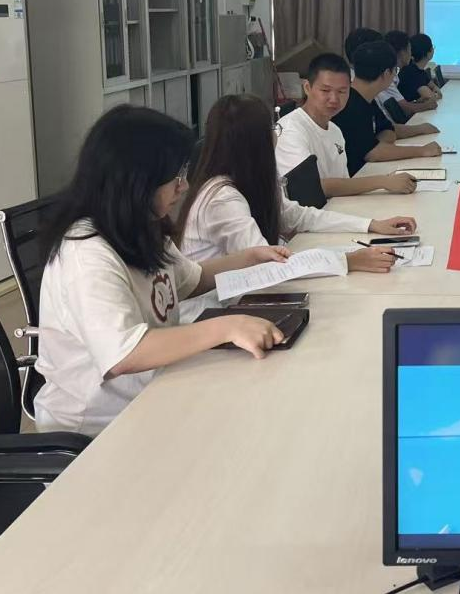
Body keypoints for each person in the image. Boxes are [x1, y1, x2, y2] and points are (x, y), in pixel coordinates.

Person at [33, 106, 291, 436]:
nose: (183, 186)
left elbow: (192, 279)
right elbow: (124, 354)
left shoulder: (140, 225)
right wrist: (227, 327)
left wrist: (250, 257)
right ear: (137, 180)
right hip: (97, 429)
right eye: (175, 177)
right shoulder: (86, 253)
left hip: (155, 393)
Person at [176, 93, 414, 284]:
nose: (276, 134)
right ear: (256, 141)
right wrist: (349, 261)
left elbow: (298, 216)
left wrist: (371, 224)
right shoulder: (221, 197)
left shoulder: (251, 179)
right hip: (211, 309)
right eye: (272, 127)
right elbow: (266, 264)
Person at [274, 53, 418, 196]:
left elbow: (343, 182)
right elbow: (311, 186)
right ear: (307, 88)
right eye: (325, 90)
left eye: (342, 91)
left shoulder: (335, 130)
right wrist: (383, 182)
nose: (334, 99)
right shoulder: (290, 129)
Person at [335, 40, 443, 174]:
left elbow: (388, 130)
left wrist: (420, 129)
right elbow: (373, 153)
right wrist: (422, 150)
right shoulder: (348, 105)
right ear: (387, 73)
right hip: (357, 175)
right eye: (395, 70)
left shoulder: (367, 98)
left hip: (371, 169)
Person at [377, 30, 437, 122]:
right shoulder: (388, 77)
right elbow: (406, 108)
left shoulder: (394, 73)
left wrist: (416, 102)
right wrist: (427, 105)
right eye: (409, 49)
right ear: (402, 52)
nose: (411, 53)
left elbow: (399, 105)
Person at [399, 32, 441, 104]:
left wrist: (434, 94)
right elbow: (430, 98)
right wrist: (434, 94)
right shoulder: (411, 72)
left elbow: (435, 88)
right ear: (428, 53)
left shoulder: (420, 70)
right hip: (412, 111)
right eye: (432, 47)